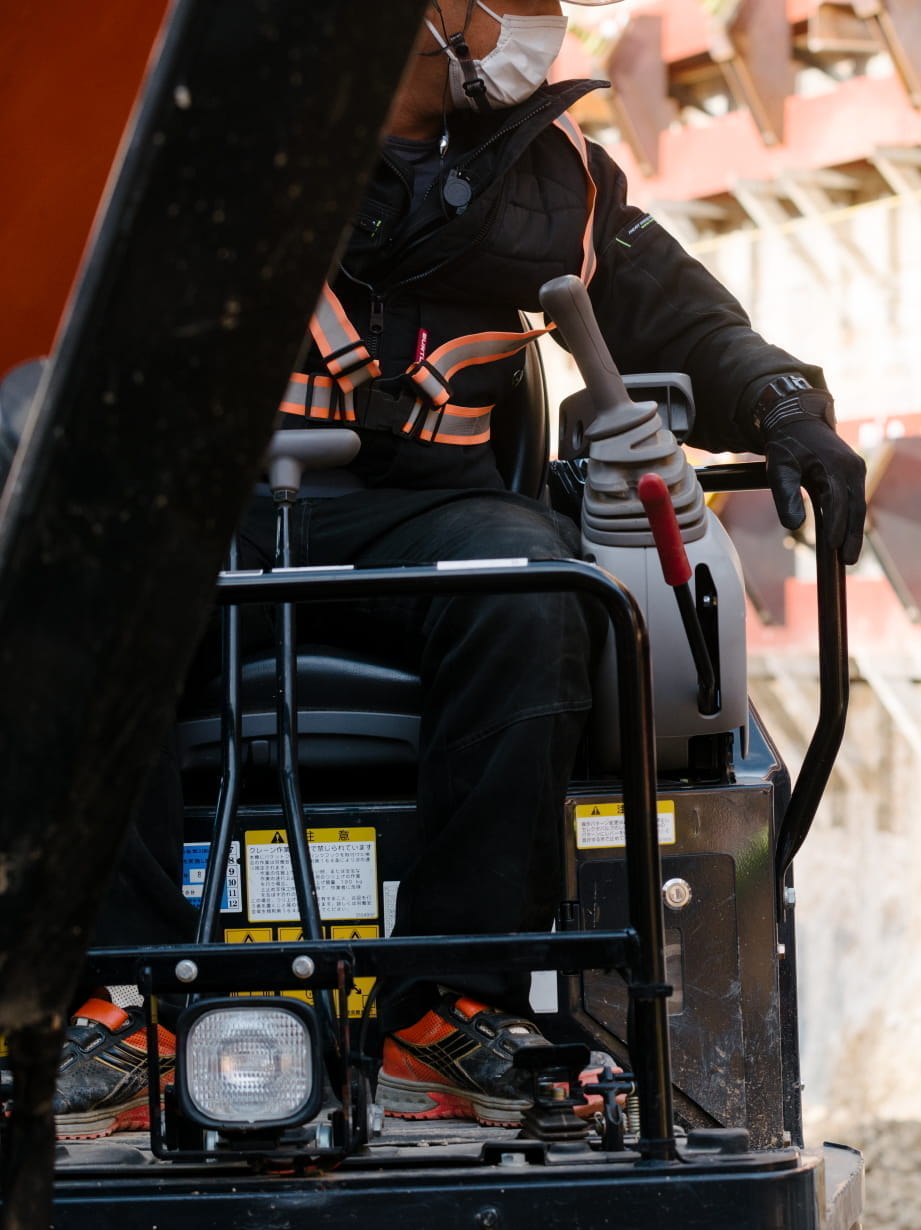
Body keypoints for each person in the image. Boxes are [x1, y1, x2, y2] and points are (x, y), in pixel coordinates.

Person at [53, 0, 867, 1140]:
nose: (531, 29)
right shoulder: (200, 147)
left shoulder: (553, 179)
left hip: (430, 514)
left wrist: (784, 407)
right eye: (504, 7)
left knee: (540, 593)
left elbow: (675, 317)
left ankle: (445, 1009)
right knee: (84, 581)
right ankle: (112, 1003)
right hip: (208, 511)